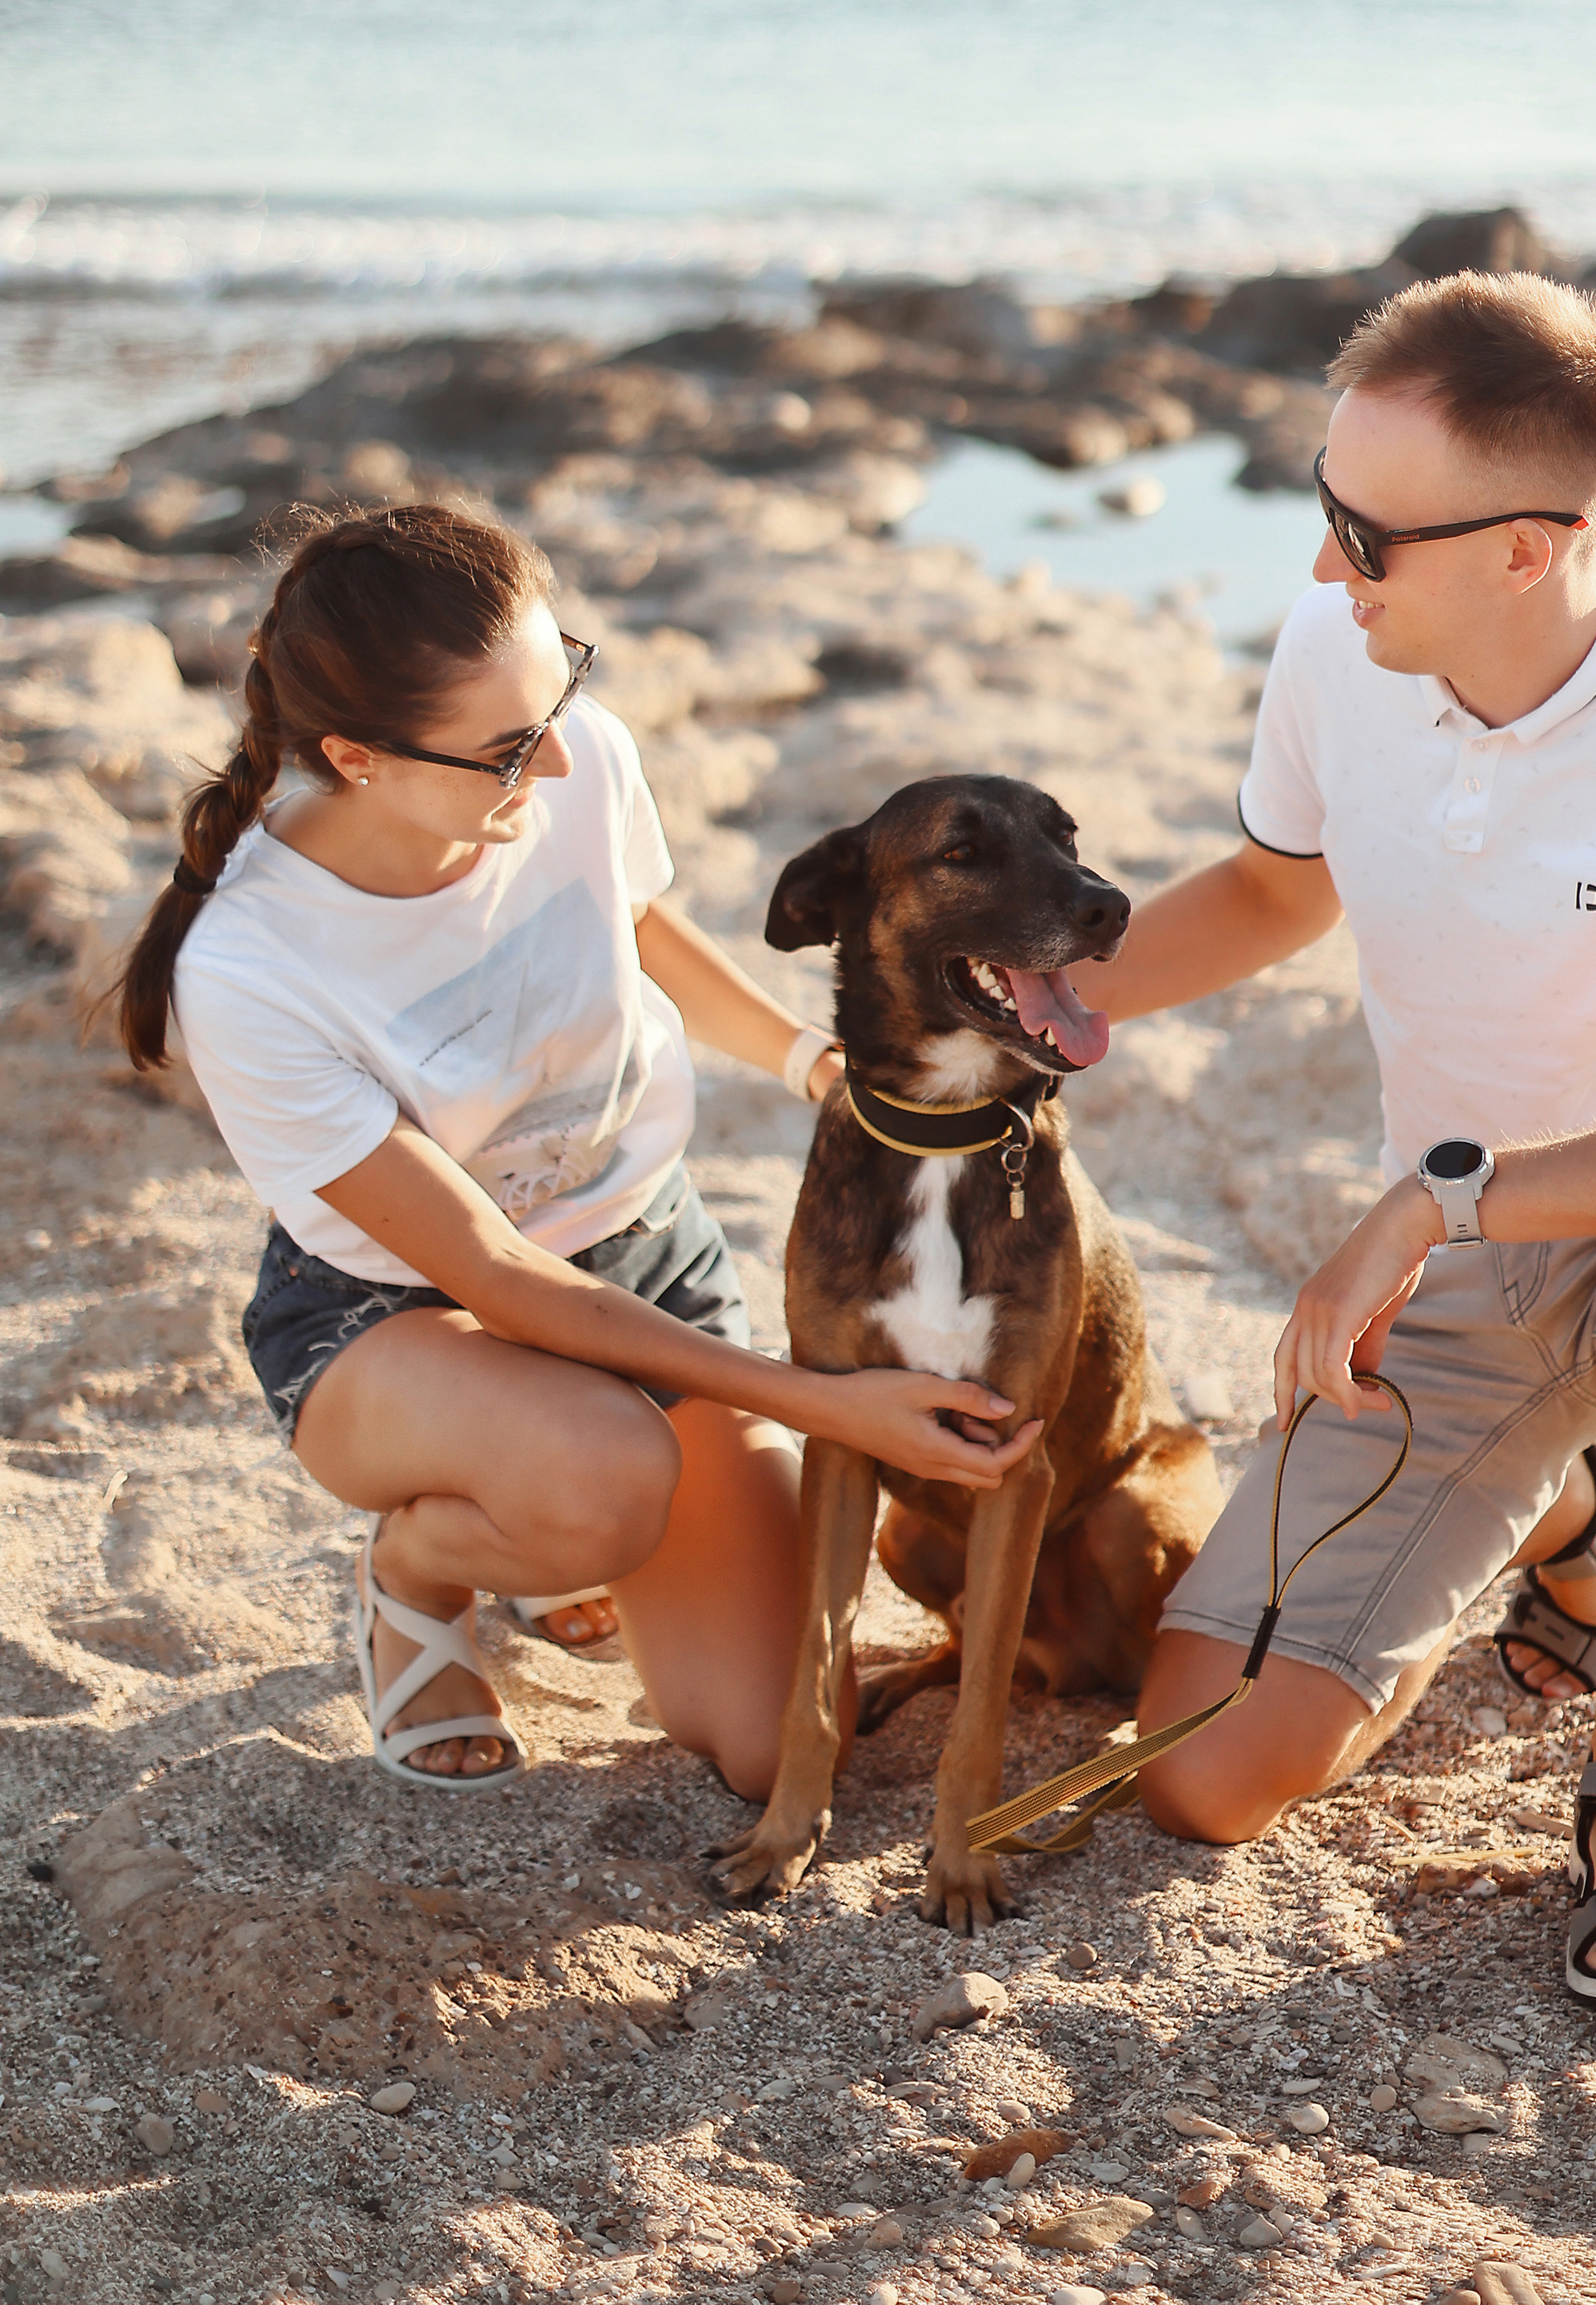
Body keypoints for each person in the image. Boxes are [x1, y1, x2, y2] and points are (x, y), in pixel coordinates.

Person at [1078, 270, 1596, 2003]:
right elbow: (1274, 889)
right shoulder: (1329, 651)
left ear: (1532, 545)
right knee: (1197, 1777)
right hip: (1458, 1276)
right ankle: (1572, 1514)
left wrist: (1439, 1198)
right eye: (1321, 508)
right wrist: (1041, 1004)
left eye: (1367, 536)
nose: (1318, 569)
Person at [117, 502, 1038, 1796]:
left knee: (784, 1750)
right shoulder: (254, 969)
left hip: (642, 1250)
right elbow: (492, 1272)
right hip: (404, 1321)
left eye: (562, 699)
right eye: (505, 749)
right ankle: (424, 1568)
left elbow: (637, 919)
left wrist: (809, 1061)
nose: (553, 766)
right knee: (602, 1481)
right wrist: (822, 1401)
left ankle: (565, 1526)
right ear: (355, 756)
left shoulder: (573, 756)